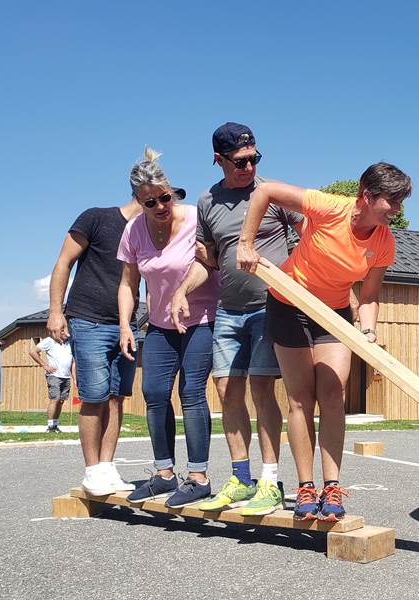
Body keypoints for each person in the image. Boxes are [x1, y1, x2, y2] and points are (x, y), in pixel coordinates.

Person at [237, 162, 411, 521]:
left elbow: (370, 296)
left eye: (400, 203)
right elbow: (265, 191)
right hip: (289, 304)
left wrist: (367, 332)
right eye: (391, 202)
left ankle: (331, 487)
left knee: (333, 394)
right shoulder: (329, 206)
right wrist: (245, 243)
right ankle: (305, 487)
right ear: (367, 195)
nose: (396, 210)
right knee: (300, 398)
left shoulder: (383, 241)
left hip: (333, 314)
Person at [169, 123, 303, 516]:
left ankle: (269, 480)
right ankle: (241, 479)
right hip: (229, 309)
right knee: (227, 390)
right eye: (241, 161)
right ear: (219, 159)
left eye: (254, 158)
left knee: (262, 390)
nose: (249, 166)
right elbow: (207, 259)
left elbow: (309, 231)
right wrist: (181, 290)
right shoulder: (207, 201)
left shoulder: (272, 193)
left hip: (270, 306)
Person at [118, 148, 219, 508]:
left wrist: (182, 290)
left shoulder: (194, 219)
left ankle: (198, 477)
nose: (161, 206)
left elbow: (212, 264)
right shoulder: (133, 231)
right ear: (139, 202)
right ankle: (163, 473)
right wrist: (126, 325)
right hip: (160, 325)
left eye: (166, 197)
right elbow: (129, 283)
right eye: (151, 202)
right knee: (155, 393)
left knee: (192, 392)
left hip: (200, 318)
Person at [46, 170, 143, 496]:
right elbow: (63, 263)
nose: (165, 203)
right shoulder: (96, 218)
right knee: (95, 395)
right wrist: (56, 311)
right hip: (88, 319)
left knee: (117, 397)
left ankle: (106, 468)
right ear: (142, 192)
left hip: (126, 324)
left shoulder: (149, 232)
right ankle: (91, 471)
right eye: (159, 195)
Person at [28, 336, 74, 433]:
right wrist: (44, 365)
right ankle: (50, 426)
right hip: (54, 375)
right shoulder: (50, 341)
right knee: (55, 399)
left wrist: (75, 378)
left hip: (66, 376)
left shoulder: (70, 342)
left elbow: (73, 362)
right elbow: (33, 351)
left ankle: (55, 425)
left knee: (61, 401)